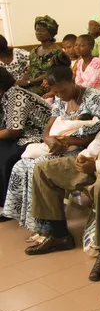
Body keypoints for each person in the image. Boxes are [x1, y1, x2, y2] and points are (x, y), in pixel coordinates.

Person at [25, 64, 100, 285]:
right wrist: (87, 156)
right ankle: (58, 233)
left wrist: (98, 166)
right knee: (43, 169)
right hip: (99, 158)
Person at [1, 52, 100, 231]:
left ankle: (49, 229)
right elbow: (47, 129)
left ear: (73, 79)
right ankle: (34, 224)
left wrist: (67, 141)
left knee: (36, 167)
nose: (60, 95)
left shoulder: (94, 97)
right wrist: (50, 141)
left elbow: (97, 133)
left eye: (63, 90)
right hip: (61, 147)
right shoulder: (59, 99)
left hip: (82, 149)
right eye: (56, 91)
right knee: (21, 166)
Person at [0, 68, 51, 217]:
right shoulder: (6, 95)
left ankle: (9, 208)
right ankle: (4, 202)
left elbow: (14, 131)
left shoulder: (16, 95)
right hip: (25, 134)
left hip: (39, 135)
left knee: (7, 156)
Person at [20, 16, 62, 96]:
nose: (39, 32)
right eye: (37, 30)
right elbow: (30, 69)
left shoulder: (57, 52)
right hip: (29, 85)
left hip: (46, 88)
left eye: (42, 30)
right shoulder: (33, 51)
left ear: (50, 33)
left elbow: (52, 73)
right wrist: (23, 81)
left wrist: (29, 82)